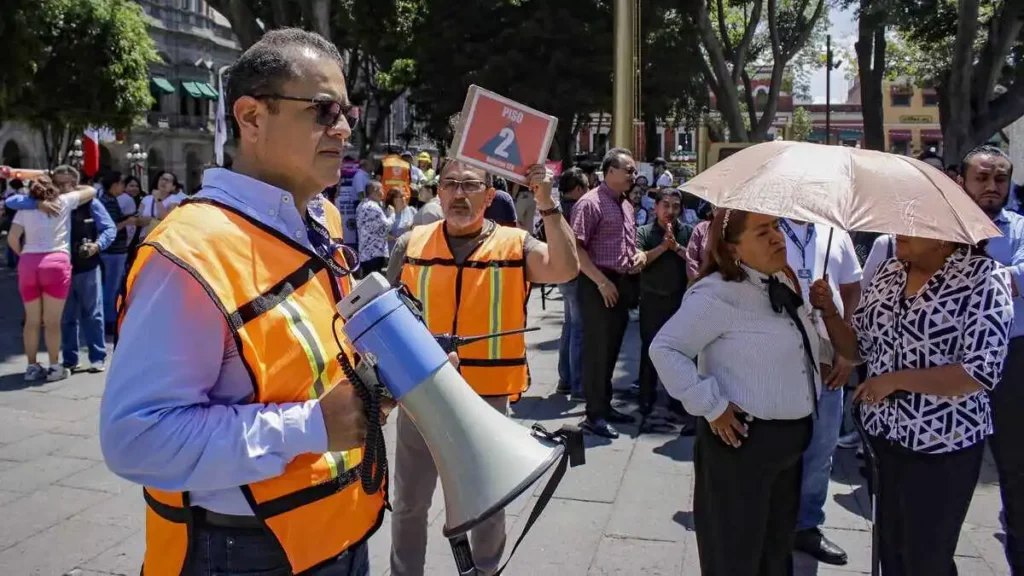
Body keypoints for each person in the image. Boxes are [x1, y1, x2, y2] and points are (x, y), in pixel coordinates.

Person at [100, 28, 388, 575]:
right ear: (252, 117)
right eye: (324, 110)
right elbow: (135, 438)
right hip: (245, 553)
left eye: (347, 110)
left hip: (339, 529)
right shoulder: (187, 250)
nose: (345, 128)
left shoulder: (318, 218)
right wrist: (311, 426)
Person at [385, 159, 578, 576]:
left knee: (488, 502)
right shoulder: (410, 243)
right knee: (410, 504)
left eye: (470, 185)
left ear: (490, 197)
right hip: (422, 396)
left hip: (486, 398)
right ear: (437, 193)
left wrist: (548, 204)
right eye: (450, 184)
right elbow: (384, 318)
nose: (459, 194)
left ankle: (486, 570)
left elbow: (565, 268)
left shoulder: (516, 243)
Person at [811, 233, 1013, 576]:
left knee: (926, 558)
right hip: (884, 440)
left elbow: (979, 372)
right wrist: (830, 311)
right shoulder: (890, 271)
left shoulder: (985, 278)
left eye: (913, 224)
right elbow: (857, 348)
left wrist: (895, 380)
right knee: (891, 551)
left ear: (943, 238)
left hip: (943, 446)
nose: (899, 232)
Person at [650, 209, 819, 576]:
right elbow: (664, 349)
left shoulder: (779, 282)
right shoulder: (717, 294)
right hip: (743, 444)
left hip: (788, 446)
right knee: (734, 557)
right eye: (762, 232)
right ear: (732, 248)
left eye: (776, 227)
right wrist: (710, 405)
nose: (777, 237)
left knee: (775, 554)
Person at [778, 218, 861, 566]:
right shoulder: (768, 227)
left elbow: (853, 288)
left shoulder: (835, 233)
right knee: (779, 446)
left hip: (829, 355)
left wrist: (846, 350)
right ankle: (773, 524)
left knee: (822, 446)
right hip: (780, 354)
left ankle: (807, 524)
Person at [956, 145, 1024, 573]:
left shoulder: (1018, 229)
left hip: (1011, 362)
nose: (991, 187)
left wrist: (963, 276)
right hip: (950, 364)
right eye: (981, 178)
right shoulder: (944, 229)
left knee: (1016, 467)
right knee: (949, 471)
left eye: (1000, 178)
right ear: (962, 181)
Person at [5, 166, 115, 373]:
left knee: (93, 313)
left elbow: (109, 228)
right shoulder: (41, 204)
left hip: (85, 265)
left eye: (68, 183)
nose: (64, 187)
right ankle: (70, 359)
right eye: (59, 183)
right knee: (65, 317)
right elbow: (13, 202)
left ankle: (97, 357)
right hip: (61, 267)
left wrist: (97, 245)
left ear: (76, 184)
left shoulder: (89, 202)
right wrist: (38, 203)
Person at [572, 148, 644, 439]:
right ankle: (594, 415)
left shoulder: (625, 204)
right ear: (610, 171)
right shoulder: (590, 203)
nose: (633, 175)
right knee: (597, 351)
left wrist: (637, 255)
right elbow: (575, 249)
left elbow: (625, 242)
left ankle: (605, 404)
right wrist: (601, 282)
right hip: (597, 284)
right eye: (628, 170)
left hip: (621, 283)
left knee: (613, 347)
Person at [635, 188, 692, 431]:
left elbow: (697, 260)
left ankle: (676, 399)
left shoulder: (688, 231)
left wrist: (677, 247)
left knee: (679, 352)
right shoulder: (644, 231)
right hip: (652, 300)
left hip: (680, 300)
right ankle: (646, 397)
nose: (670, 211)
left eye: (675, 206)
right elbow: (637, 260)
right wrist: (662, 247)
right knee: (650, 349)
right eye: (665, 205)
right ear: (655, 207)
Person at [554, 167, 588, 400]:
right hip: (575, 274)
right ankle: (577, 385)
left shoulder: (556, 209)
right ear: (577, 189)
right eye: (585, 187)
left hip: (560, 273)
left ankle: (565, 380)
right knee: (578, 329)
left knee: (569, 327)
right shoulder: (578, 209)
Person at [356, 181, 394, 275]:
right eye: (382, 189)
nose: (383, 192)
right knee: (375, 284)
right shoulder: (373, 206)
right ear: (376, 190)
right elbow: (386, 226)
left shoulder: (361, 205)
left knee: (369, 282)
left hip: (366, 252)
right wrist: (392, 215)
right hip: (374, 253)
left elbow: (375, 228)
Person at [386, 187, 416, 252]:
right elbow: (381, 233)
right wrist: (393, 238)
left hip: (409, 251)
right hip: (392, 252)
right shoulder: (387, 213)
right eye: (401, 196)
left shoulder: (412, 210)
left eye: (404, 196)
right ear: (394, 200)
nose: (404, 198)